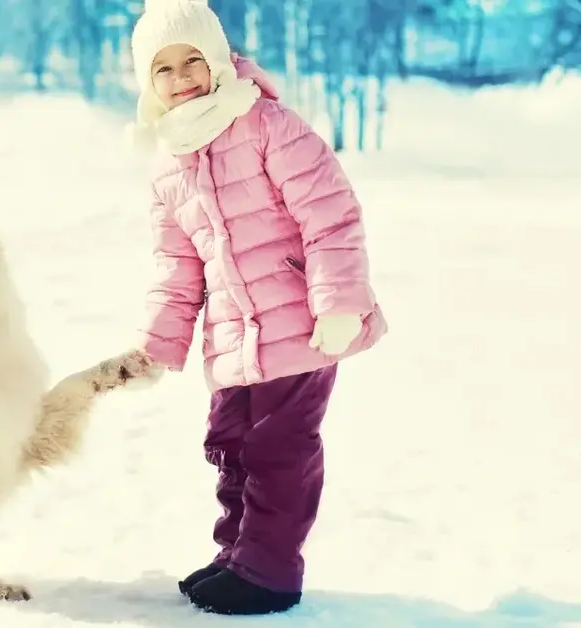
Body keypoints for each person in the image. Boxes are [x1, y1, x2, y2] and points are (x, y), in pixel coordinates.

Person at [124, 0, 389, 616]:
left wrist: (339, 302)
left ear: (218, 61)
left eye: (194, 59)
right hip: (232, 339)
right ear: (147, 83)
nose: (182, 76)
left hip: (302, 326)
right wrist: (158, 343)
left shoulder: (267, 124)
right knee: (232, 445)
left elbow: (331, 214)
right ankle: (238, 555)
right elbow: (178, 266)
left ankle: (268, 572)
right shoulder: (169, 163)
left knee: (278, 451)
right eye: (163, 68)